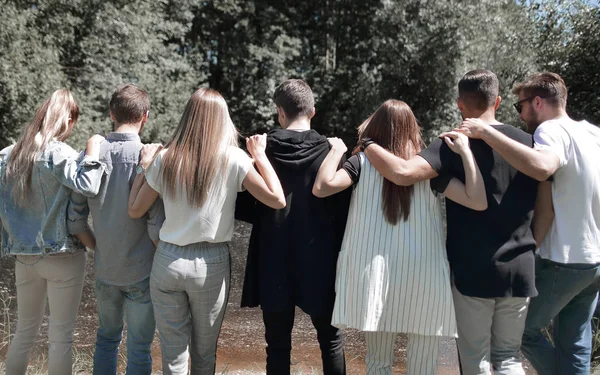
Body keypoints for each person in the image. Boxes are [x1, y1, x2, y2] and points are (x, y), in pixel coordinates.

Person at [363, 70, 540, 374]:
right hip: (522, 266)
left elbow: (403, 173)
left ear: (459, 104)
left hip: (474, 270)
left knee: (477, 360)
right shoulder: (528, 144)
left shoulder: (450, 144)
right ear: (497, 101)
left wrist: (366, 143)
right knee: (509, 357)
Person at [312, 99, 486, 374]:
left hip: (376, 276)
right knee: (423, 366)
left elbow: (322, 188)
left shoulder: (361, 162)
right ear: (413, 128)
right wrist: (466, 154)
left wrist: (336, 150)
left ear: (376, 128)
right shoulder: (430, 166)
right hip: (424, 276)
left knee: (378, 363)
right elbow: (476, 200)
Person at [127, 87, 285, 375]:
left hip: (167, 261)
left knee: (173, 358)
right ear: (222, 119)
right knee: (203, 355)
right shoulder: (234, 158)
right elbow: (277, 199)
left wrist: (143, 166)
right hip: (210, 265)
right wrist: (260, 156)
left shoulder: (166, 159)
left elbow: (135, 210)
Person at [455, 72, 600, 375]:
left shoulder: (549, 131)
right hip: (593, 260)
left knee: (521, 336)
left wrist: (487, 133)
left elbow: (542, 166)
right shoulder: (592, 133)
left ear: (537, 102)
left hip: (564, 257)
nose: (520, 116)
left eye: (520, 107)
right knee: (575, 342)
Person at [238, 79, 350, 375]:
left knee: (277, 344)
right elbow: (346, 207)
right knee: (331, 340)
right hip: (321, 255)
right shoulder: (332, 150)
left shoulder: (261, 149)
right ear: (312, 111)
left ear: (280, 112)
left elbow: (244, 205)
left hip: (273, 254)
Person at [0, 89, 105, 375]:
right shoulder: (59, 153)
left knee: (24, 332)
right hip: (63, 254)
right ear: (67, 119)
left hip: (23, 256)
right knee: (60, 336)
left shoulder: (8, 155)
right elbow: (88, 185)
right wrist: (93, 152)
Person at [84, 84, 165, 375]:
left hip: (106, 267)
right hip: (142, 270)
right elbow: (156, 222)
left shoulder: (93, 155)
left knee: (106, 340)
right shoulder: (150, 156)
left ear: (110, 114)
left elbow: (75, 219)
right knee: (140, 348)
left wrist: (99, 246)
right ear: (145, 116)